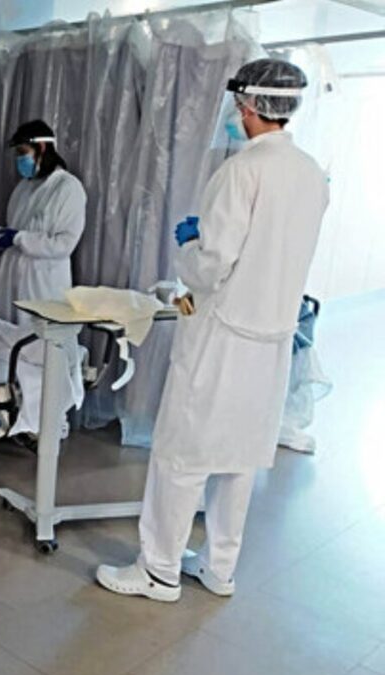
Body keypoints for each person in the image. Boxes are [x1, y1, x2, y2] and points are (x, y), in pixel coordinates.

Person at [95, 58, 329, 602]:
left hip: (223, 336)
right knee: (239, 458)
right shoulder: (311, 174)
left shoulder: (241, 171)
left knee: (182, 454)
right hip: (272, 339)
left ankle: (159, 571)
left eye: (236, 104)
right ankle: (219, 569)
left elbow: (211, 266)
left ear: (248, 105)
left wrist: (190, 243)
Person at [0, 120, 86, 327]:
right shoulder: (23, 188)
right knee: (6, 337)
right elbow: (15, 231)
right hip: (11, 278)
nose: (19, 160)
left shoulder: (68, 187)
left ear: (41, 147)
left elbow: (64, 244)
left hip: (42, 284)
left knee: (39, 341)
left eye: (22, 152)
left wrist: (18, 238)